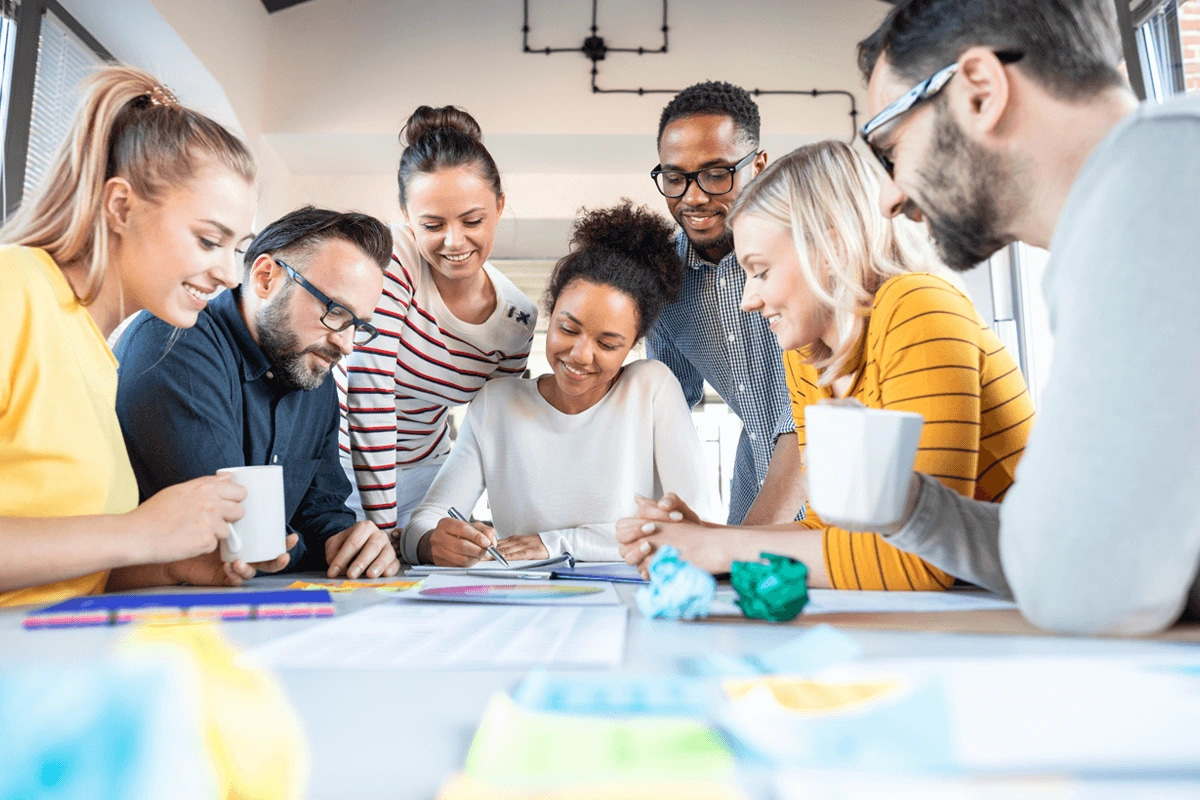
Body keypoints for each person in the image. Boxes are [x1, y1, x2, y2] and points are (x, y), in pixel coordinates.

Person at [846, 0, 1200, 632]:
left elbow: (1088, 586)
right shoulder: (1148, 180)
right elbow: (1076, 545)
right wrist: (907, 507)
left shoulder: (1154, 193)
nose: (890, 195)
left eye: (889, 147)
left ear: (980, 91)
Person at [618, 141, 1034, 590]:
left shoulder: (918, 305)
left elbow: (924, 559)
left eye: (759, 271)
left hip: (1052, 592)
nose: (747, 299)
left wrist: (719, 549)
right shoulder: (806, 356)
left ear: (830, 244)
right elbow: (828, 532)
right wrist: (704, 537)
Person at [0, 65, 259, 606]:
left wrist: (172, 565)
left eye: (238, 248)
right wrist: (140, 531)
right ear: (121, 207)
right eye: (210, 240)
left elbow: (64, 573)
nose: (231, 276)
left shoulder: (99, 354)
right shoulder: (14, 286)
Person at [402, 202, 717, 566]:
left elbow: (693, 526)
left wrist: (559, 542)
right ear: (550, 316)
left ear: (632, 346)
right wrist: (431, 543)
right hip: (526, 603)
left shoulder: (650, 387)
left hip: (627, 602)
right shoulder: (498, 404)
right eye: (568, 329)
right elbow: (424, 522)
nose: (581, 355)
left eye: (608, 343)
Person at [112, 207, 401, 588]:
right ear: (266, 278)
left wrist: (353, 542)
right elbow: (240, 538)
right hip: (138, 613)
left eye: (358, 326)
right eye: (335, 313)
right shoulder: (174, 341)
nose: (346, 345)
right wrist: (315, 546)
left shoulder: (313, 371)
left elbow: (323, 510)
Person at [338, 106, 537, 534]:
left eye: (473, 220)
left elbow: (497, 430)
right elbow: (370, 386)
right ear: (407, 217)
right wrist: (383, 528)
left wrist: (518, 527)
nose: (454, 242)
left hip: (426, 475)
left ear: (499, 206)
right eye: (432, 224)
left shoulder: (517, 320)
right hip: (338, 463)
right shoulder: (395, 253)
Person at [648, 81, 803, 527]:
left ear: (758, 166)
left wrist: (744, 542)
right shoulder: (664, 281)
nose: (693, 197)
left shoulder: (806, 253)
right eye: (675, 178)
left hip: (841, 491)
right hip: (754, 490)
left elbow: (816, 416)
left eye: (717, 173)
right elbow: (668, 407)